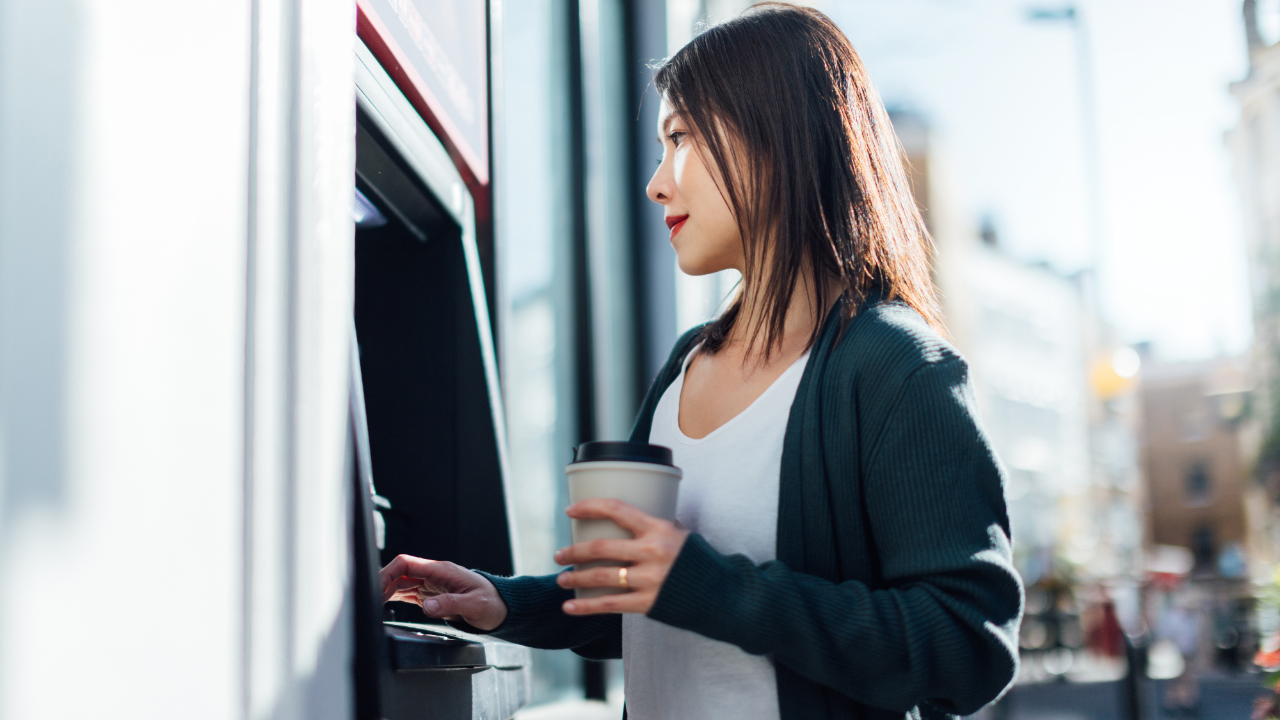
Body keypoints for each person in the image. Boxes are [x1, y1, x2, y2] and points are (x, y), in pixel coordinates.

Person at [380, 4, 1023, 719]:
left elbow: (969, 646)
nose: (657, 183)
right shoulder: (688, 363)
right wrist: (504, 600)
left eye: (678, 138)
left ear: (774, 137)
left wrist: (706, 585)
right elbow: (640, 595)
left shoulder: (898, 368)